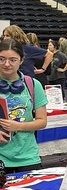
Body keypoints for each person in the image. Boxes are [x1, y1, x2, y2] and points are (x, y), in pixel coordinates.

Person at [0, 39, 48, 175]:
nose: (6, 64)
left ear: (21, 60)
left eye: (12, 60)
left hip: (28, 156)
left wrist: (18, 126)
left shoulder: (33, 85)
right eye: (2, 59)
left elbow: (42, 121)